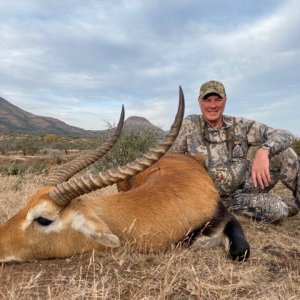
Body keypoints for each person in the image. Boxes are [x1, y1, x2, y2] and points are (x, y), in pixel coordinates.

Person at [171, 80, 299, 223]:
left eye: (218, 100)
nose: (212, 105)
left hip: (246, 186)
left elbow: (287, 135)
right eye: (207, 100)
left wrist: (264, 151)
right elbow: (171, 163)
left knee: (286, 154)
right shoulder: (188, 126)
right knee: (278, 210)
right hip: (210, 198)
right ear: (199, 102)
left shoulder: (240, 125)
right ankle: (277, 207)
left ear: (225, 100)